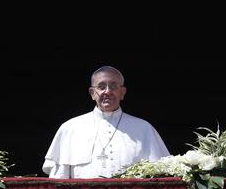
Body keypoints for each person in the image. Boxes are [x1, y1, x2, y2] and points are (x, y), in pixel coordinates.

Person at [42, 66, 170, 178]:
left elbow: (160, 176)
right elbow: (59, 178)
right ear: (92, 93)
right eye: (101, 87)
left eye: (113, 86)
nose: (107, 91)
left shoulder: (144, 128)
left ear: (122, 92)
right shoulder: (70, 128)